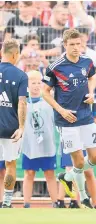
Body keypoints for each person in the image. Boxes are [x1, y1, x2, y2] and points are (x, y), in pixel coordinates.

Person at [42, 29, 96, 209]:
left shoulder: (87, 62)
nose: (76, 48)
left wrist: (91, 93)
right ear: (65, 45)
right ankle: (83, 198)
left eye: (79, 44)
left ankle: (67, 177)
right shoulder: (55, 67)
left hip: (86, 116)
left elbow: (92, 77)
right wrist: (60, 110)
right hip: (66, 121)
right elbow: (45, 93)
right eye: (72, 45)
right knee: (79, 162)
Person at [21, 70, 58, 208]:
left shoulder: (49, 100)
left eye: (38, 82)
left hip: (47, 144)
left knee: (50, 173)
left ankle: (55, 202)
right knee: (29, 173)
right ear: (27, 84)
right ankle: (26, 203)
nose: (36, 85)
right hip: (30, 145)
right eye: (33, 83)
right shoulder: (23, 101)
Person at [0, 39, 28, 208]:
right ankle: (7, 203)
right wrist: (22, 127)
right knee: (11, 164)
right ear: (15, 54)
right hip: (11, 129)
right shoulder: (20, 75)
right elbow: (22, 102)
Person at [57, 103, 96, 209]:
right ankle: (63, 201)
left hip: (85, 136)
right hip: (71, 133)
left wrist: (87, 126)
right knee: (71, 167)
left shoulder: (89, 97)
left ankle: (94, 204)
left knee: (88, 170)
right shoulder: (66, 97)